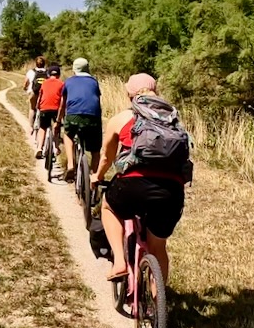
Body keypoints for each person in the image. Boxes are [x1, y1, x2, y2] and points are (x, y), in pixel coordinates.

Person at [94, 73, 187, 283]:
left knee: (108, 207)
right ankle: (158, 304)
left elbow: (107, 157)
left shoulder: (121, 118)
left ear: (129, 95)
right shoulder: (172, 119)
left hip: (132, 184)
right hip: (170, 190)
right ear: (156, 92)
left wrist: (97, 176)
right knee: (158, 247)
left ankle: (119, 262)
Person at [58, 57, 102, 184]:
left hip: (73, 115)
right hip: (93, 116)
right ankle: (95, 176)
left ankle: (71, 165)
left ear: (74, 69)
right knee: (95, 150)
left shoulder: (68, 81)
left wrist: (58, 120)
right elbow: (97, 101)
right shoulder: (94, 82)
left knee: (68, 135)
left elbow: (63, 104)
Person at [35, 65, 64, 159]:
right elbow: (63, 99)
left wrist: (37, 106)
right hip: (56, 109)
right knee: (56, 127)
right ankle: (56, 147)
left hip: (44, 108)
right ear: (58, 74)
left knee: (42, 127)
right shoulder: (62, 84)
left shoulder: (45, 83)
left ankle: (39, 148)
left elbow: (40, 96)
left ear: (48, 74)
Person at [24, 56, 48, 133]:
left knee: (32, 109)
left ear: (36, 63)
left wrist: (25, 88)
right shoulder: (47, 72)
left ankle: (31, 127)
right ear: (44, 64)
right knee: (44, 109)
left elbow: (25, 83)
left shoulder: (31, 72)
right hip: (45, 93)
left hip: (33, 93)